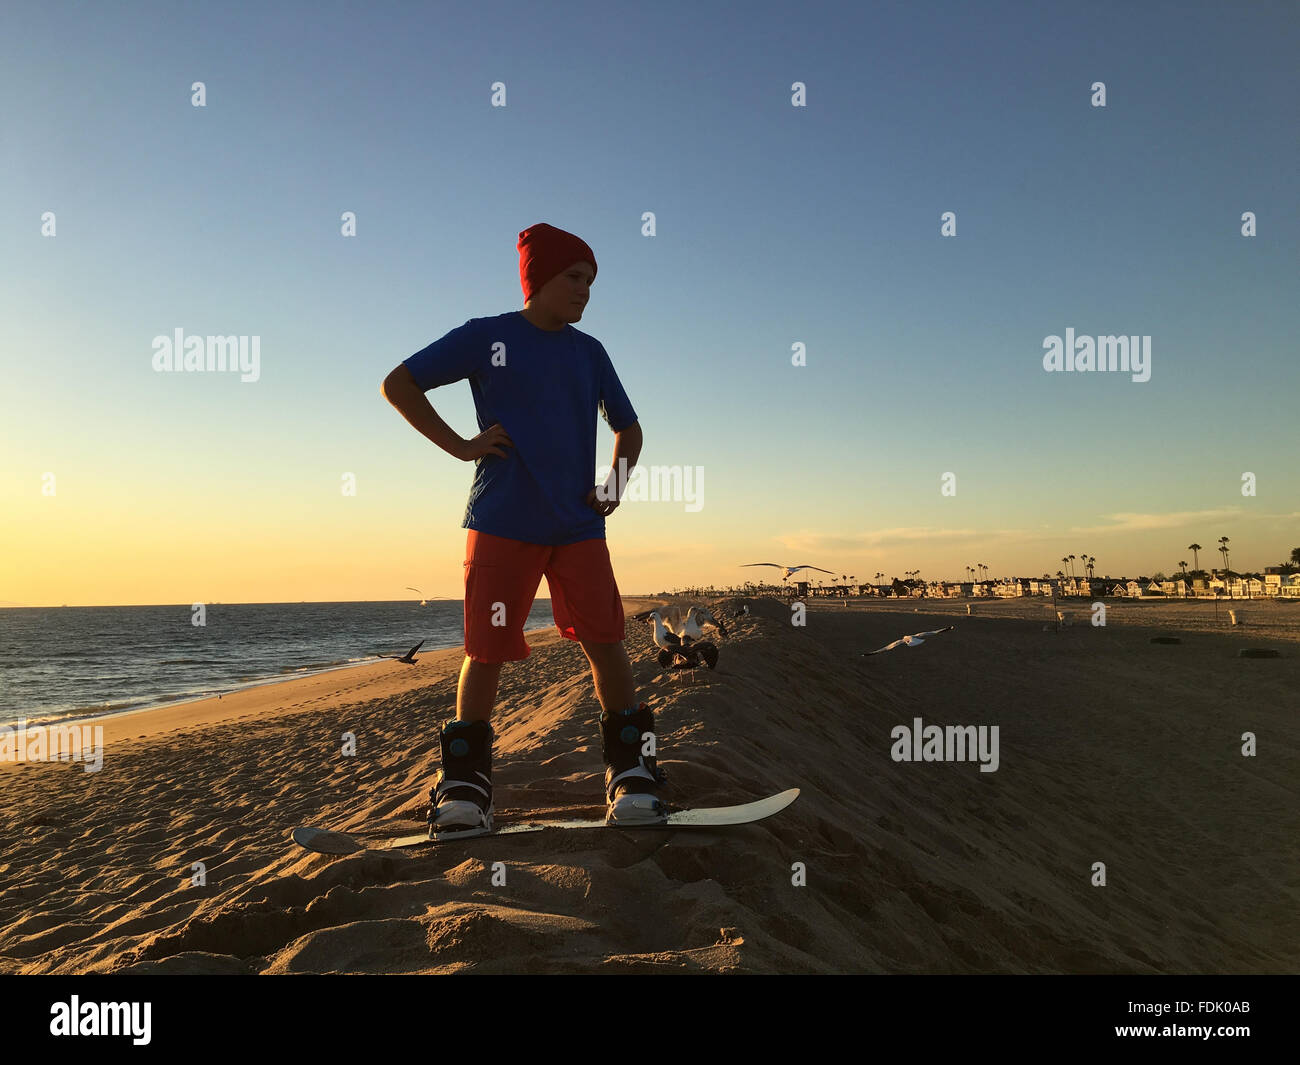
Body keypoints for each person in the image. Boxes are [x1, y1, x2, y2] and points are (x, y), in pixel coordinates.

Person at [381, 223, 664, 838]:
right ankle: (464, 787)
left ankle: (629, 771)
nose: (585, 292)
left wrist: (612, 487)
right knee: (486, 652)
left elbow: (630, 428)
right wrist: (460, 446)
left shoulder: (589, 353)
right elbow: (398, 384)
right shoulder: (488, 337)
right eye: (574, 278)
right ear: (538, 279)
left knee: (606, 641)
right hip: (502, 521)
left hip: (579, 528)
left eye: (591, 282)